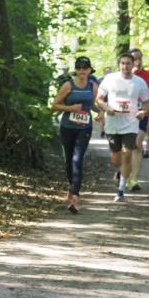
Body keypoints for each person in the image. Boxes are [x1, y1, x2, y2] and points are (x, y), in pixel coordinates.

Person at [96, 52, 149, 202]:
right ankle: (121, 172)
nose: (125, 66)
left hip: (131, 123)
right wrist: (106, 109)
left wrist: (143, 112)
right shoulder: (110, 79)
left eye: (128, 63)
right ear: (119, 65)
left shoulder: (139, 82)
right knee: (116, 160)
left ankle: (120, 190)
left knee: (127, 154)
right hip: (113, 123)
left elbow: (146, 101)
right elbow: (99, 99)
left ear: (133, 65)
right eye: (123, 63)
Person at [51, 56, 98, 213]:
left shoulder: (93, 86)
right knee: (69, 161)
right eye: (79, 68)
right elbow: (54, 105)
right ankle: (72, 189)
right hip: (67, 127)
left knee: (78, 159)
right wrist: (71, 109)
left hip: (84, 128)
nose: (82, 71)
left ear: (90, 70)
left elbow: (97, 105)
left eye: (85, 68)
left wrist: (102, 113)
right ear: (75, 70)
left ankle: (75, 197)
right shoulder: (68, 85)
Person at [127, 48, 149, 191]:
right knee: (125, 148)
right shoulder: (123, 76)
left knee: (137, 144)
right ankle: (122, 170)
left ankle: (133, 179)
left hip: (142, 114)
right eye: (134, 59)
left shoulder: (147, 75)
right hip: (125, 116)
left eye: (140, 58)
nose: (138, 62)